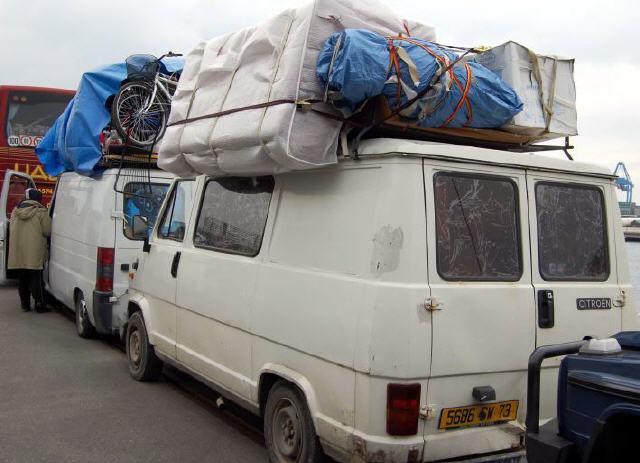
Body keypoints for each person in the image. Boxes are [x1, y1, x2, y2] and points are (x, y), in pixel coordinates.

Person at [8, 188, 51, 312]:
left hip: (19, 251)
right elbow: (47, 231)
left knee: (22, 278)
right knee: (36, 278)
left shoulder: (15, 211)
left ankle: (25, 305)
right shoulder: (41, 212)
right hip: (34, 252)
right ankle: (39, 304)